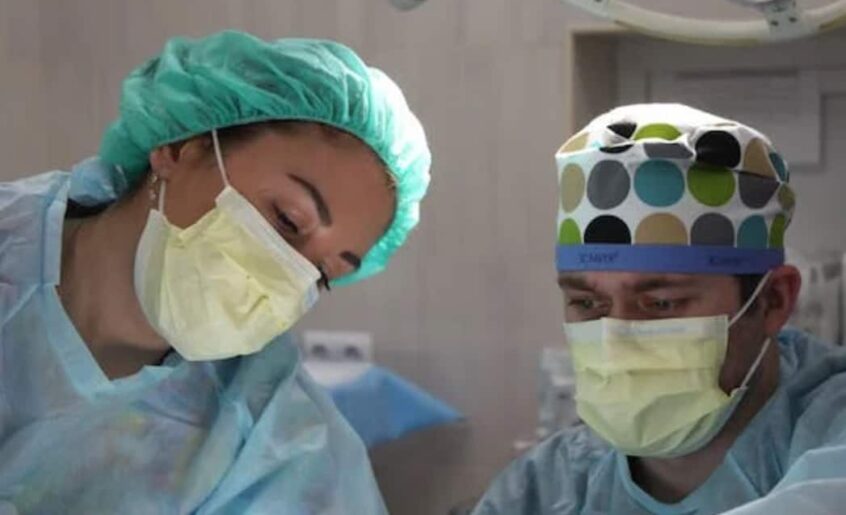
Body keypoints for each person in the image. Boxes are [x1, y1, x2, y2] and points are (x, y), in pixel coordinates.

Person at [0, 30, 430, 514]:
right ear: (180, 149)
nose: (289, 274)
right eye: (287, 220)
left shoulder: (274, 443)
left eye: (322, 273)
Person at [471, 103, 846, 515]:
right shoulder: (548, 488)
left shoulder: (831, 439)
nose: (615, 340)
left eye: (660, 303)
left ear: (773, 299)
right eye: (588, 303)